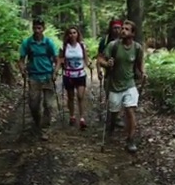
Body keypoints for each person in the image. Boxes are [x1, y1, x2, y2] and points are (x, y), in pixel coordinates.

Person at [97, 20, 146, 153]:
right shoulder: (113, 45)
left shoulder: (137, 48)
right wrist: (107, 64)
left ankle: (130, 140)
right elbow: (100, 59)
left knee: (130, 111)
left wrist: (143, 72)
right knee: (114, 111)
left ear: (133, 33)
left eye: (126, 29)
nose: (123, 31)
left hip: (129, 84)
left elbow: (139, 63)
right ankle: (112, 124)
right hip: (114, 85)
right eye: (122, 28)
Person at [17, 18, 58, 140]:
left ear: (43, 29)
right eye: (35, 28)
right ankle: (38, 122)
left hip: (47, 76)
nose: (37, 30)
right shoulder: (28, 43)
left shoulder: (49, 43)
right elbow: (21, 59)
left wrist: (55, 72)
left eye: (39, 28)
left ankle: (45, 129)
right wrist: (22, 69)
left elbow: (57, 59)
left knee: (48, 104)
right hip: (34, 77)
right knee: (33, 105)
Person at [57, 25, 89, 130]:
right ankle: (72, 116)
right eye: (70, 33)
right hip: (68, 74)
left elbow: (86, 59)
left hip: (80, 74)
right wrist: (56, 70)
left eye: (74, 32)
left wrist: (90, 65)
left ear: (77, 34)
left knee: (80, 96)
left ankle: (82, 118)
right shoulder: (64, 47)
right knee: (70, 97)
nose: (72, 35)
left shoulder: (82, 45)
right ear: (68, 35)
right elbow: (60, 59)